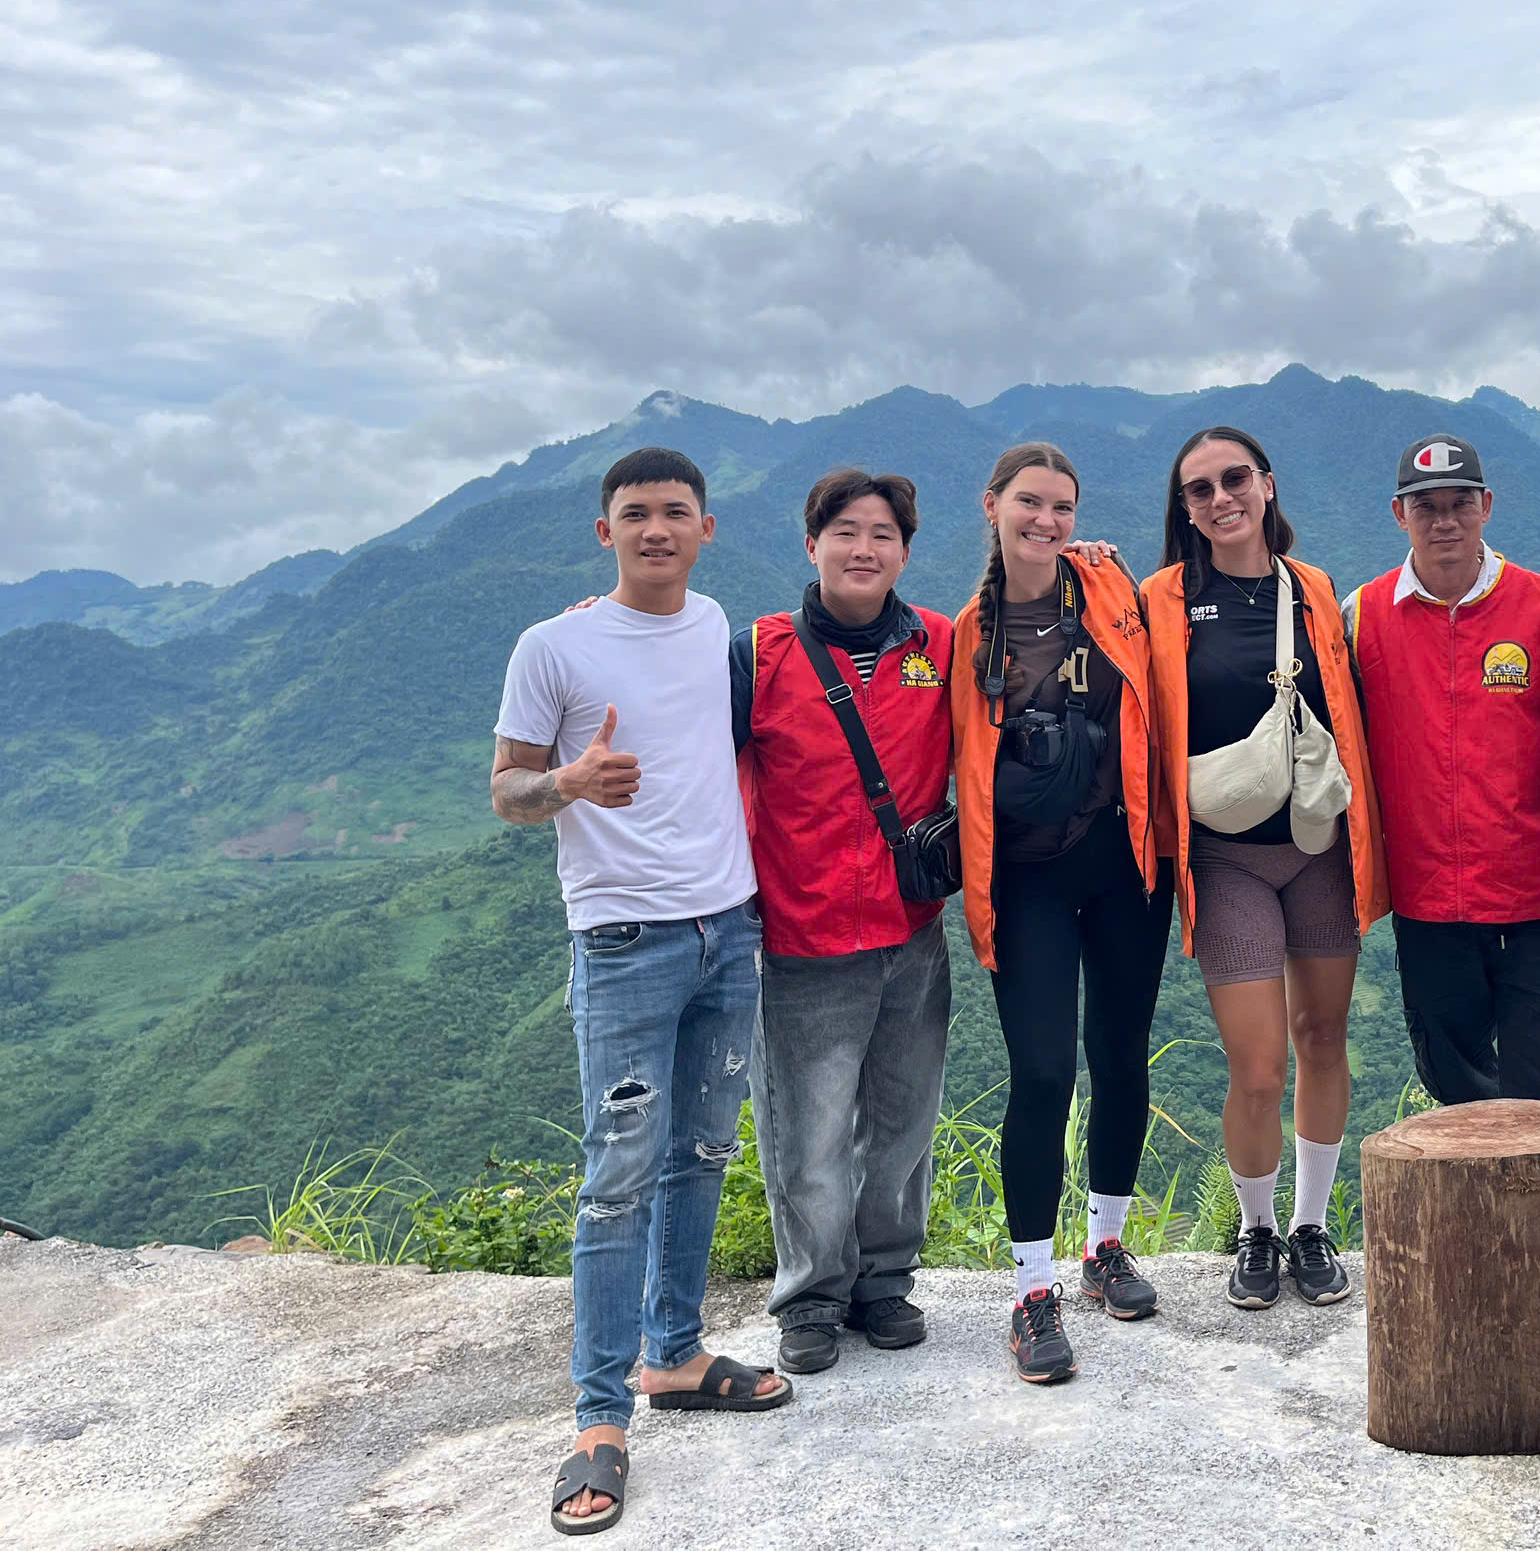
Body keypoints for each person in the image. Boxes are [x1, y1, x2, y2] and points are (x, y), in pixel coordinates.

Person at [491, 447, 789, 1539]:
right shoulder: (554, 645)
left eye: (674, 512)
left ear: (706, 528)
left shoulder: (714, 626)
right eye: (634, 513)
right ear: (604, 530)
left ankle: (675, 1353)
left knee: (700, 1152)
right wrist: (569, 781)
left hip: (730, 927)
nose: (655, 528)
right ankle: (598, 1418)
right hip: (623, 940)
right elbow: (507, 791)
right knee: (617, 1179)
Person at [1141, 426, 1386, 1311]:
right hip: (1224, 855)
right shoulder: (1162, 598)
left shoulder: (1311, 588)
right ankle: (1255, 1228)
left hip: (1318, 844)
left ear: (1268, 484)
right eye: (1199, 489)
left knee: (1323, 1038)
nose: (1221, 499)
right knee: (1257, 1067)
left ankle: (1312, 1226)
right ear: (1184, 508)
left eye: (1234, 479)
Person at [950, 442, 1172, 1384]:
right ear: (992, 505)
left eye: (1063, 508)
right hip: (1027, 878)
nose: (1046, 521)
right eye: (1029, 503)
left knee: (1121, 1057)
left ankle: (1105, 1247)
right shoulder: (966, 633)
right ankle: (1031, 1292)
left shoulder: (1111, 589)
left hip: (1126, 861)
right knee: (1042, 1073)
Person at [731, 468, 956, 1375]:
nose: (864, 549)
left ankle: (883, 1282)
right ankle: (812, 1297)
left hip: (912, 931)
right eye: (846, 532)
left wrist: (1084, 569)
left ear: (905, 551)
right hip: (804, 935)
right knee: (810, 1137)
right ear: (812, 543)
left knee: (902, 1124)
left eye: (882, 535)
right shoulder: (758, 653)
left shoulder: (939, 643)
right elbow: (688, 751)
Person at [1344, 433, 1540, 1110]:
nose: (1444, 521)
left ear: (1486, 506)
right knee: (1455, 1092)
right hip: (1426, 898)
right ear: (1400, 514)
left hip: (1536, 895)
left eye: (1460, 503)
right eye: (1426, 506)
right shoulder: (1361, 616)